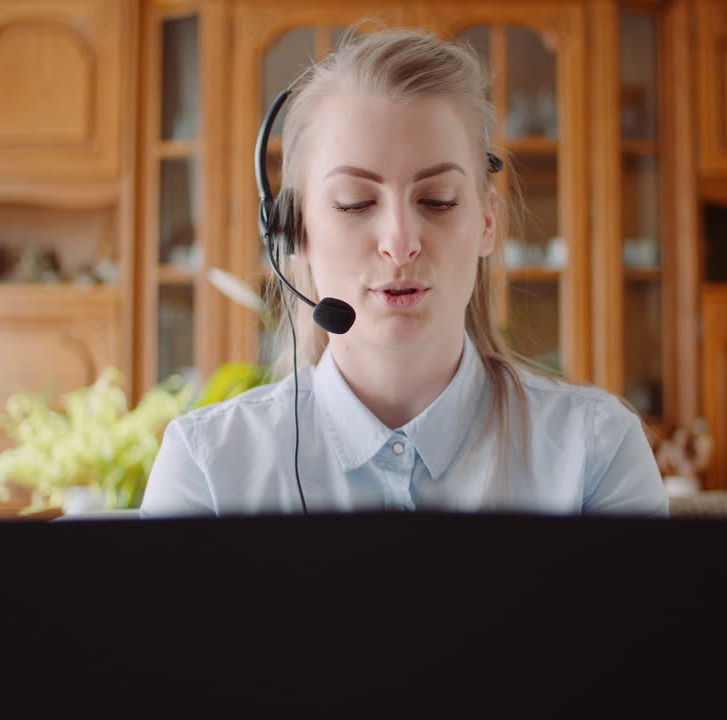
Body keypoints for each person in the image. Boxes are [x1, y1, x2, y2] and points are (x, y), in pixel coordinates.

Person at [141, 28, 667, 517]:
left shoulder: (597, 452)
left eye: (438, 200)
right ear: (293, 231)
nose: (400, 243)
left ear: (487, 223)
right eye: (354, 203)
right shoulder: (207, 468)